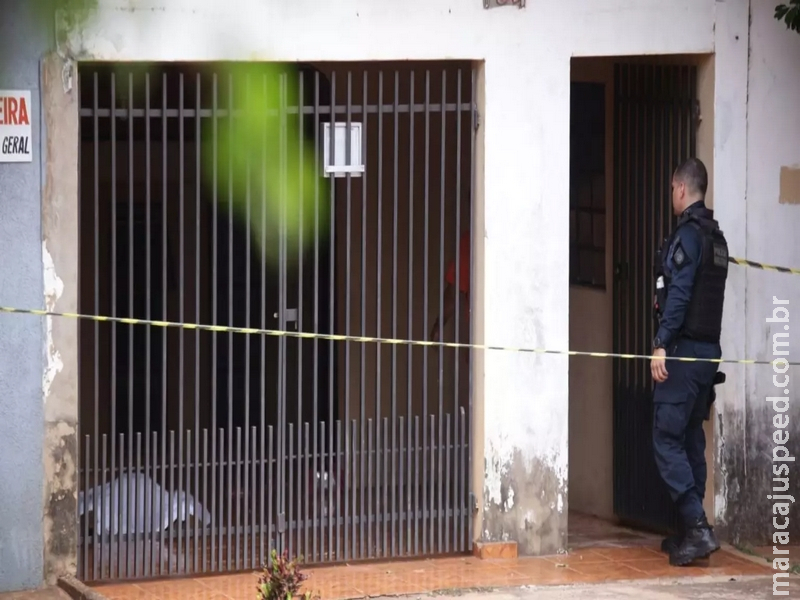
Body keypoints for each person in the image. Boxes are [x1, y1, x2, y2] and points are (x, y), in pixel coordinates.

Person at [650, 157, 729, 567]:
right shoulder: (717, 239)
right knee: (691, 439)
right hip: (706, 355)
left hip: (682, 354)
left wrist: (662, 342)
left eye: (671, 190)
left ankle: (696, 528)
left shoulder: (688, 237)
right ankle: (691, 533)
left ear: (680, 188)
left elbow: (679, 296)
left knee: (666, 437)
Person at [430, 230, 470, 342]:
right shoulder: (473, 242)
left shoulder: (473, 241)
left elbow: (453, 292)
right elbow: (454, 291)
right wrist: (439, 325)